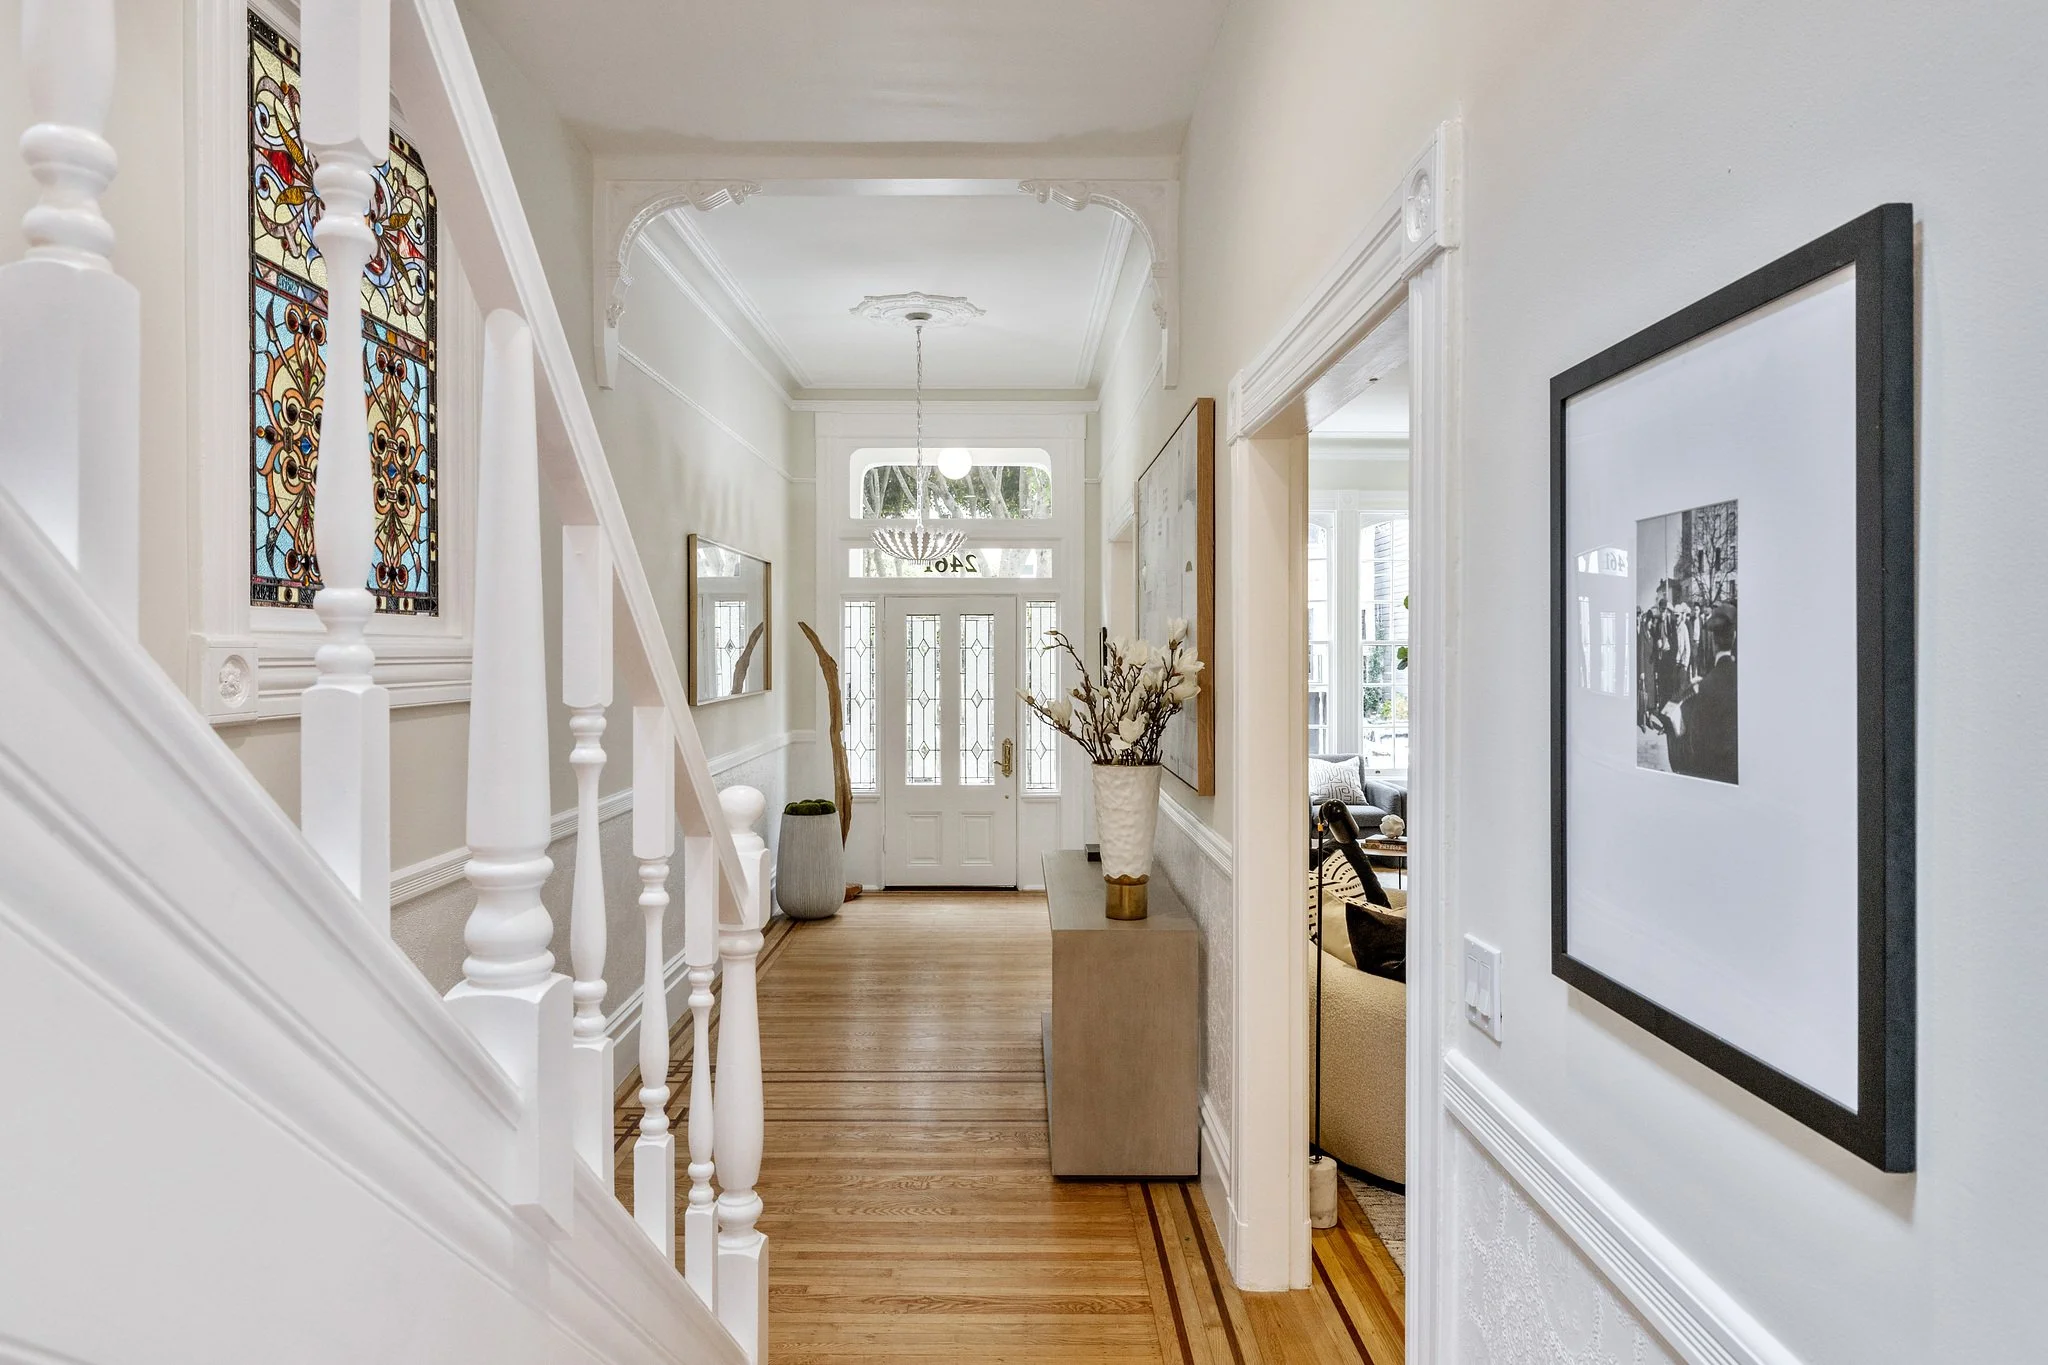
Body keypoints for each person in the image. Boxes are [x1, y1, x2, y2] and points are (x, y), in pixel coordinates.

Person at [1661, 603, 1737, 784]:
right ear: (1734, 637)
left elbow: (1694, 745)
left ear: (1712, 641)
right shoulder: (1745, 681)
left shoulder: (1703, 689)